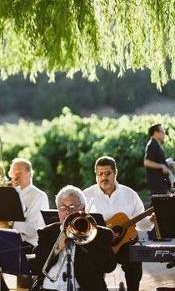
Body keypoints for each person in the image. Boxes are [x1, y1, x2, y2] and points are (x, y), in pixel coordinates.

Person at [83, 156, 154, 291]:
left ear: (116, 173)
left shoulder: (130, 194)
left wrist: (150, 220)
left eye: (108, 173)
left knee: (135, 259)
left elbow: (141, 224)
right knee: (88, 264)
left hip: (124, 245)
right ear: (96, 175)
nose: (104, 177)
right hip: (98, 245)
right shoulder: (87, 195)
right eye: (100, 174)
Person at [31, 185, 116, 291]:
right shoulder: (46, 233)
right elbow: (35, 268)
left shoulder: (100, 233)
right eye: (63, 207)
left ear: (83, 209)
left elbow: (109, 266)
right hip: (47, 288)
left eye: (72, 207)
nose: (67, 211)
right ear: (58, 212)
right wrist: (56, 248)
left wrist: (87, 238)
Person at [8, 158, 50, 249]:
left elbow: (33, 231)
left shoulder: (39, 196)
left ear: (30, 174)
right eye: (12, 174)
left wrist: (10, 223)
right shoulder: (9, 194)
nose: (14, 177)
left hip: (28, 246)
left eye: (18, 173)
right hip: (8, 241)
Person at [144, 124, 172, 196]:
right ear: (156, 133)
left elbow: (157, 161)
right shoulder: (152, 145)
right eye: (162, 132)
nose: (164, 134)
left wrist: (168, 163)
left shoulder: (156, 144)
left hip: (161, 182)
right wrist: (162, 166)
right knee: (159, 204)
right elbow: (147, 162)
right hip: (157, 183)